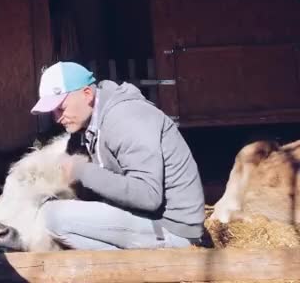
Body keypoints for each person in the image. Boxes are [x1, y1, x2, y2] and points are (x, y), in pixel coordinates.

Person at [31, 61, 205, 250]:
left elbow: (148, 196)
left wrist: (81, 170)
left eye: (61, 108)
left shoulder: (125, 117)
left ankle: (133, 268)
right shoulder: (95, 122)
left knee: (51, 217)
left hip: (172, 229)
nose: (57, 118)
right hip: (148, 220)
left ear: (87, 94)